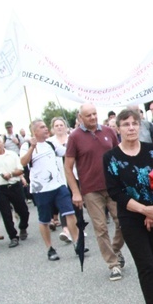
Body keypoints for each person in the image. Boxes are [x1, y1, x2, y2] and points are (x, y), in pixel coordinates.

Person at [104, 108, 153, 304]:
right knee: (146, 263)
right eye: (126, 124)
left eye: (135, 123)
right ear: (118, 128)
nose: (131, 128)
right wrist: (144, 211)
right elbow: (116, 193)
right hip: (132, 216)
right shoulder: (111, 158)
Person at [64, 103, 126, 281]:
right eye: (88, 115)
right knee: (100, 228)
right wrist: (75, 192)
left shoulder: (108, 131)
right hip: (91, 190)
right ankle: (113, 264)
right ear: (80, 118)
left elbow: (118, 156)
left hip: (113, 186)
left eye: (94, 114)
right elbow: (68, 167)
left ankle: (114, 249)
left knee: (123, 222)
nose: (92, 117)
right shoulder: (74, 137)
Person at [20, 120, 80, 261]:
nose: (46, 129)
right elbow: (23, 162)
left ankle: (77, 242)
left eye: (46, 127)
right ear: (35, 131)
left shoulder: (50, 144)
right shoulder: (27, 145)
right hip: (41, 189)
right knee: (45, 220)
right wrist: (32, 147)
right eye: (42, 127)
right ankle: (50, 248)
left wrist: (74, 138)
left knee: (69, 212)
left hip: (58, 185)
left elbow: (66, 152)